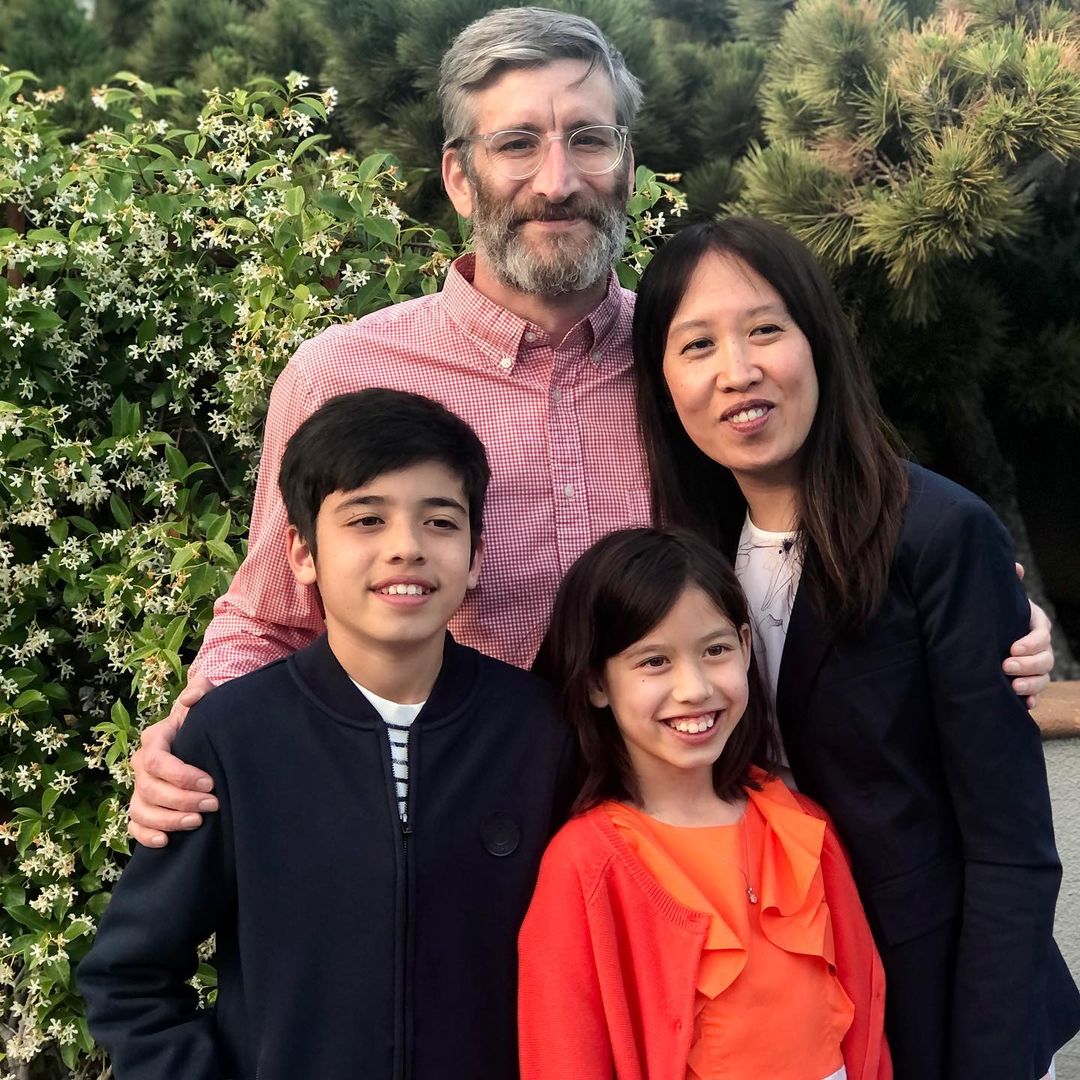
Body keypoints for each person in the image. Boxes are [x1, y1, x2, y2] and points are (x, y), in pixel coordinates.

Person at [126, 7, 1053, 849]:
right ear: (459, 176)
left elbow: (817, 536)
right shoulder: (345, 376)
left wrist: (977, 619)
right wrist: (196, 735)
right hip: (449, 854)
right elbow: (271, 616)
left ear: (629, 166)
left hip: (686, 863)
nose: (558, 181)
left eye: (589, 140)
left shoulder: (690, 367)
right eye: (517, 144)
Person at [630, 216, 1080, 1080]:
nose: (738, 370)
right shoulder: (690, 565)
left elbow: (1010, 845)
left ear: (819, 341)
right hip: (778, 1009)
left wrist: (987, 1057)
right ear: (663, 383)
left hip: (931, 1002)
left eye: (766, 329)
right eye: (697, 345)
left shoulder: (937, 535)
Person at [77, 390, 576, 1079]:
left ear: (475, 555)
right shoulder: (235, 737)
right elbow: (130, 975)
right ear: (302, 552)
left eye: (440, 521)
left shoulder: (539, 732)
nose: (406, 548)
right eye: (366, 519)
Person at [521, 527, 891, 1080]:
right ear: (597, 682)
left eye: (715, 650)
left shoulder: (801, 824)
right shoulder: (584, 865)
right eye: (654, 661)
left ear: (745, 645)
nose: (694, 688)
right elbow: (562, 1056)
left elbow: (867, 1010)